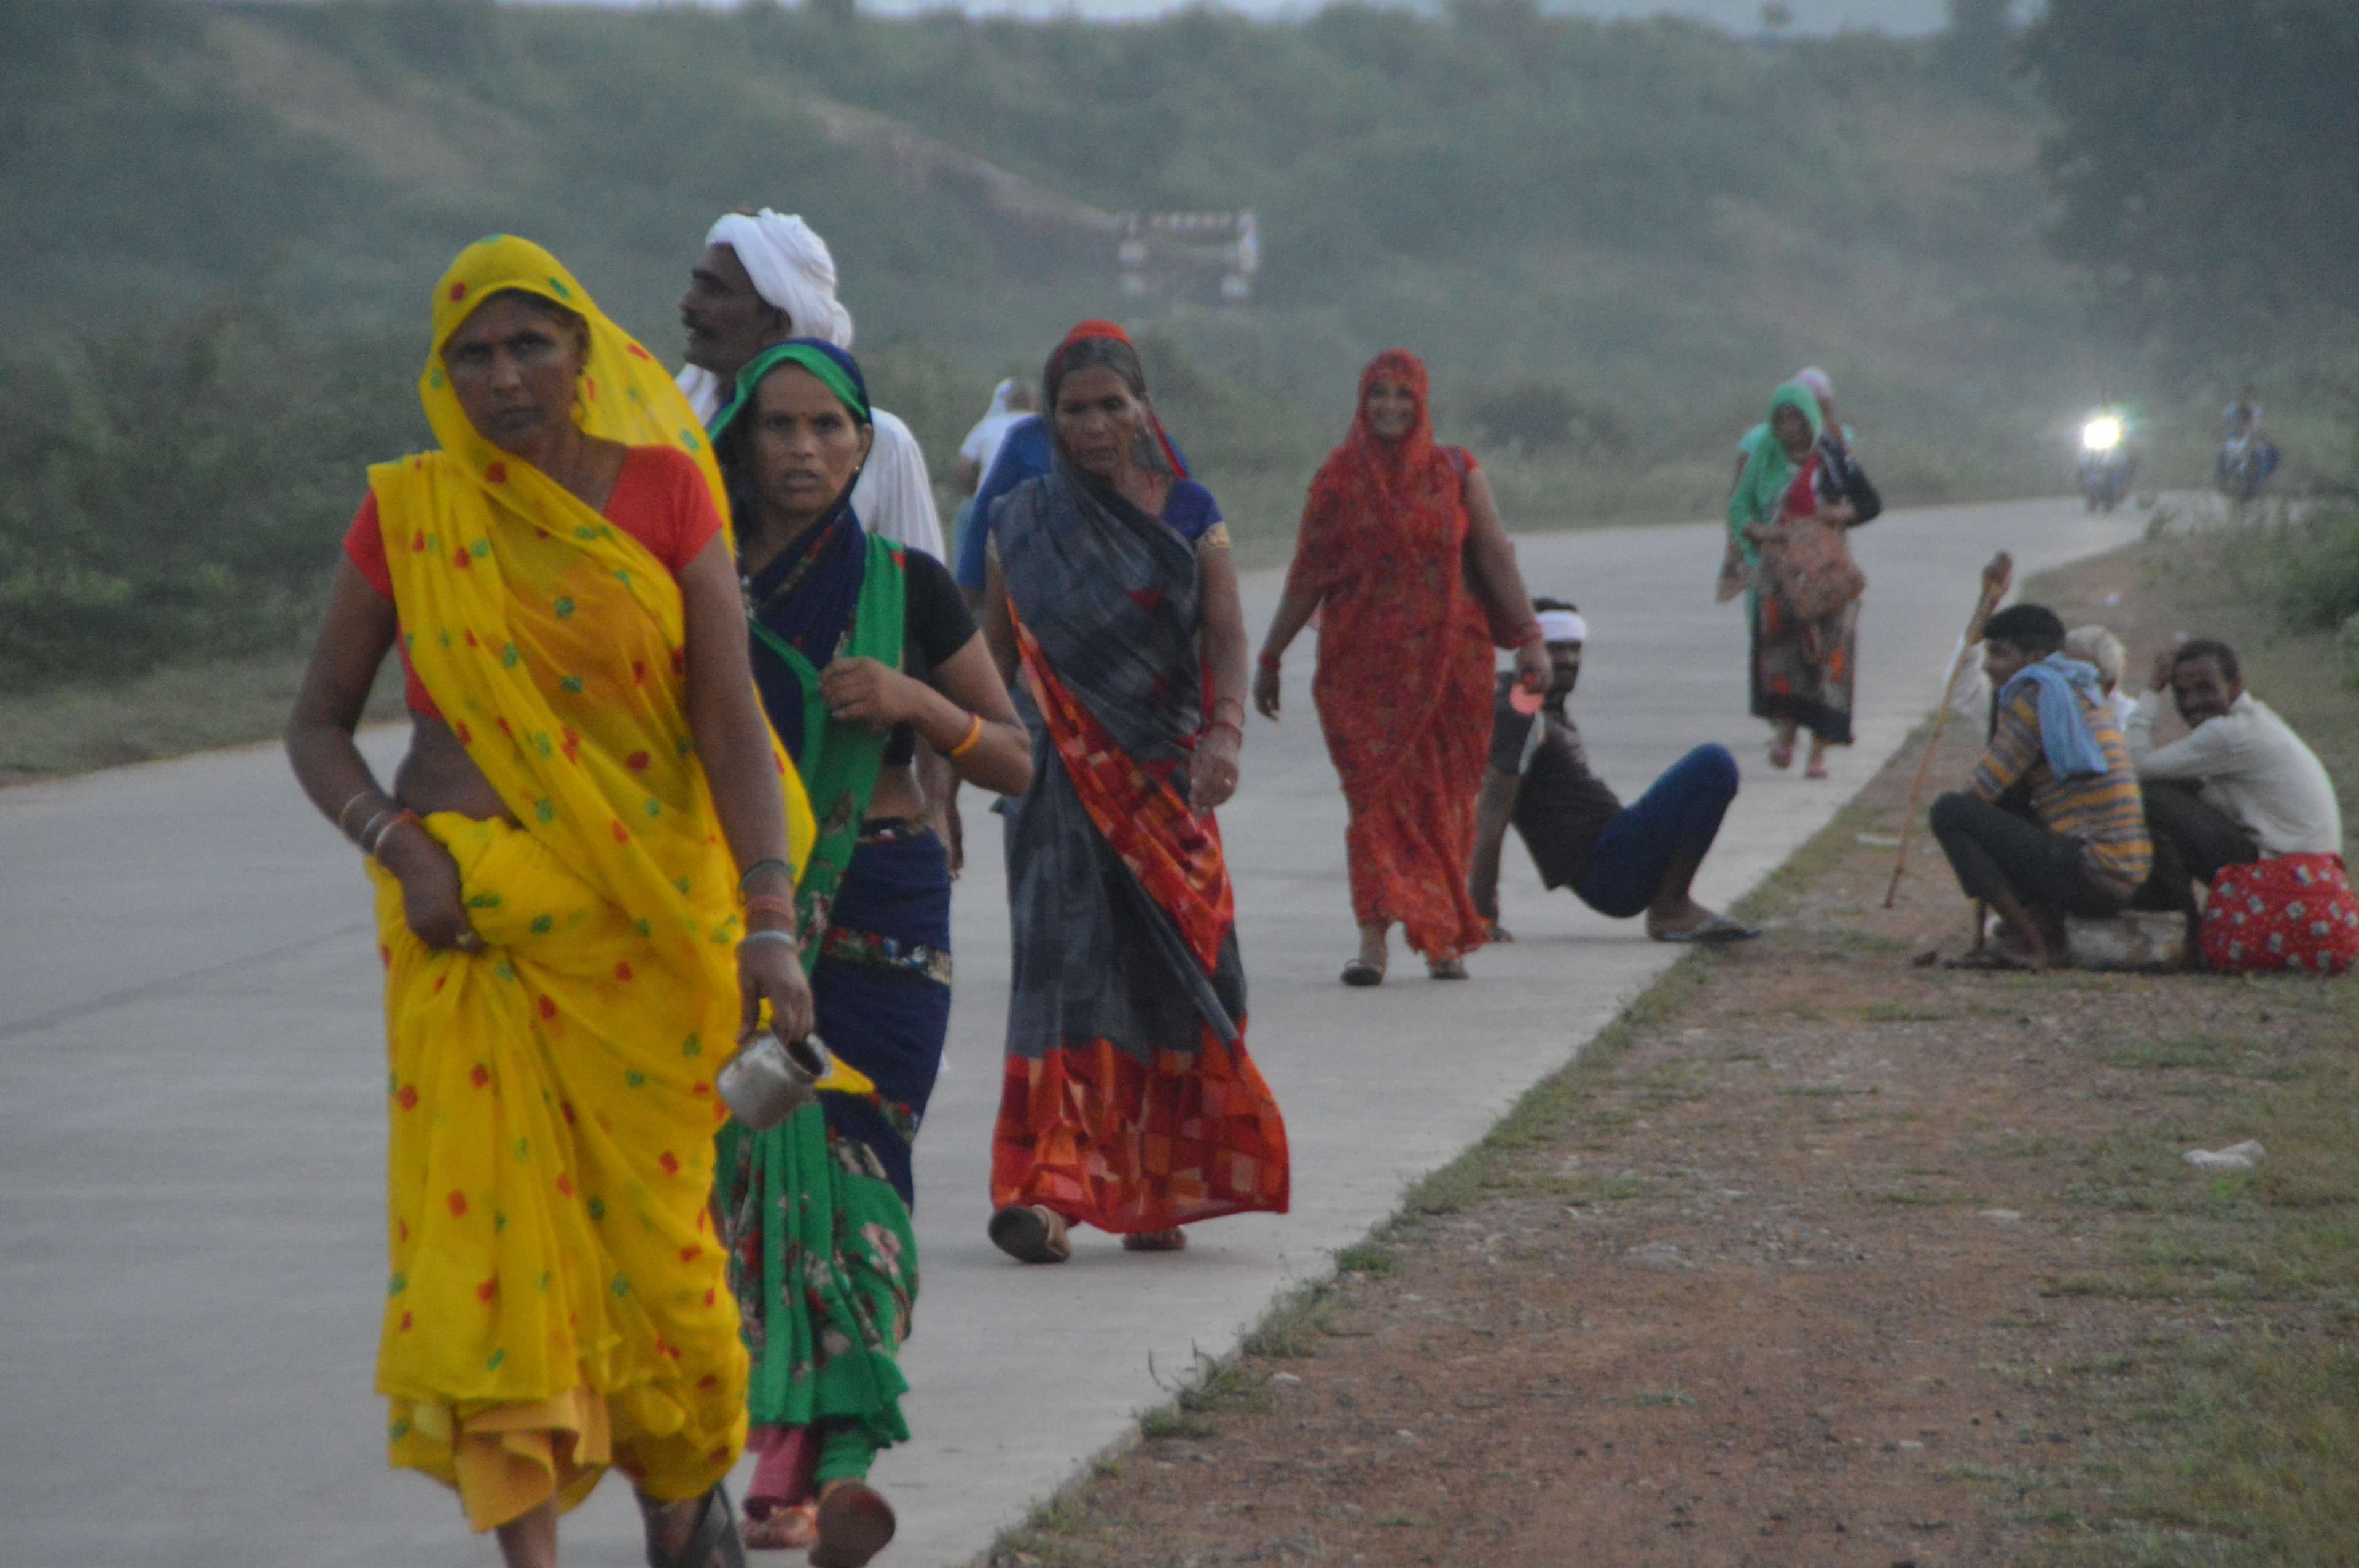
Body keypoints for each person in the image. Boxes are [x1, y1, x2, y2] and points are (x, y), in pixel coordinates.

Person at [284, 237, 820, 1568]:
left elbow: (728, 722)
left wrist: (767, 917)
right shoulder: (410, 511)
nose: (505, 375)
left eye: (532, 344)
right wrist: (403, 848)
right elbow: (316, 727)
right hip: (468, 931)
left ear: (587, 355)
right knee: (490, 1267)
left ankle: (683, 1509)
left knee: (666, 1275)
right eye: (474, 352)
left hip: (644, 934)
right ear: (442, 372)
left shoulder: (666, 495)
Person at [704, 340, 1032, 1559]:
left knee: (859, 1172)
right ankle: (783, 1465)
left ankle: (832, 1471)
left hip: (884, 913)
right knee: (750, 1180)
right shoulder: (700, 588)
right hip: (739, 916)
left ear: (863, 446)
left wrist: (911, 702)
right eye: (777, 428)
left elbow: (1014, 757)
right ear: (738, 444)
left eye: (827, 428)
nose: (801, 450)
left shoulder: (910, 585)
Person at [977, 321, 1288, 1263]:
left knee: (1195, 977)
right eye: (1076, 409)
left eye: (1114, 404)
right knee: (1066, 982)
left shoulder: (1190, 510)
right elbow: (990, 659)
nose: (1098, 424)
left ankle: (1159, 1185)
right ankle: (1049, 1192)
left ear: (1144, 407)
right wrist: (950, 777)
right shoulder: (1019, 520)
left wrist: (1224, 735)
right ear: (1052, 420)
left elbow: (1225, 637)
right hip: (1054, 782)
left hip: (1166, 777)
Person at [1253, 349, 1550, 985]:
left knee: (1443, 804)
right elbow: (1307, 577)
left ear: (1422, 405)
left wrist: (1530, 638)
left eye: (1404, 397)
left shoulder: (1456, 472)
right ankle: (1373, 943)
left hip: (1451, 672)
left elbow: (1495, 556)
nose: (1391, 407)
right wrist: (1271, 654)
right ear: (1363, 403)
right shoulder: (1336, 481)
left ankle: (1442, 936)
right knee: (1373, 805)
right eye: (1379, 395)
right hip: (1361, 679)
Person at [1471, 600, 1757, 943]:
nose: (1567, 660)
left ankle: (1672, 904)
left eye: (1574, 648)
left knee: (1708, 767)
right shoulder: (1522, 713)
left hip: (1615, 854)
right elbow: (1492, 813)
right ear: (1527, 655)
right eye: (1554, 648)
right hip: (1606, 870)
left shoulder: (1547, 706)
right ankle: (1671, 908)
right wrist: (1482, 913)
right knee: (1713, 764)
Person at [675, 208, 945, 561]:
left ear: (775, 323)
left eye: (714, 290)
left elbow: (920, 597)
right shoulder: (673, 432)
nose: (688, 305)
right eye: (697, 284)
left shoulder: (886, 445)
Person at [1928, 604, 2151, 970]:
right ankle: (2032, 932)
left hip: (2096, 872)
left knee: (1950, 813)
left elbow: (1981, 790)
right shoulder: (2076, 687)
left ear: (2034, 658)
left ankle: (2034, 941)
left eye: (2000, 654)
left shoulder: (2039, 695)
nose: (1989, 666)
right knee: (2003, 808)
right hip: (2121, 872)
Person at [1727, 379, 1880, 777]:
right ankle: (1785, 734)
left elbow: (1870, 503)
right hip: (1778, 574)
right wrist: (1761, 533)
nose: (1788, 426)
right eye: (1780, 418)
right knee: (1780, 653)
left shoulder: (1831, 459)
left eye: (1796, 417)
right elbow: (1740, 510)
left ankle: (1819, 750)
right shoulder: (1764, 457)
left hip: (1826, 574)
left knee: (1828, 657)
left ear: (1810, 418)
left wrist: (1837, 515)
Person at [2126, 638, 2343, 919]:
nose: (2191, 703)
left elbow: (2134, 768)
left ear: (2235, 686)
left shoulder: (2228, 734)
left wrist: (2152, 691)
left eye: (2205, 689)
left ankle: (2177, 920)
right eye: (2181, 693)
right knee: (2174, 789)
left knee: (2149, 796)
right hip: (2312, 876)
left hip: (2284, 873)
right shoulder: (2255, 721)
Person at [955, 378, 1036, 497]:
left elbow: (964, 465)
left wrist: (971, 492)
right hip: (1033, 502)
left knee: (965, 513)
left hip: (990, 501)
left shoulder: (986, 426)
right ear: (1032, 402)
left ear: (1008, 402)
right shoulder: (1043, 427)